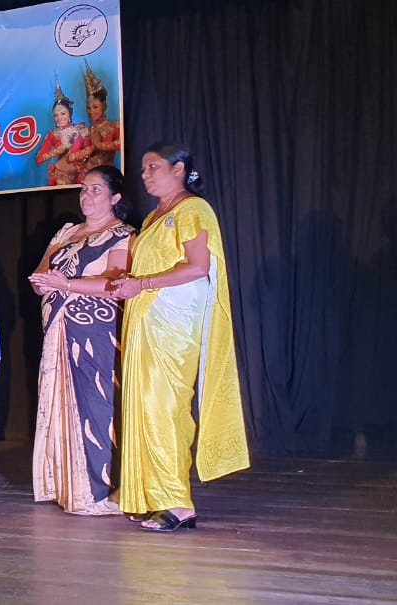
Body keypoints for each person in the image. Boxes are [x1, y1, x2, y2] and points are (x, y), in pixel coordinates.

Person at [110, 143, 250, 532]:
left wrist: (144, 283)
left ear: (179, 169)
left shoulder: (193, 209)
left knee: (165, 407)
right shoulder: (156, 215)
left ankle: (178, 502)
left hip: (174, 323)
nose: (145, 174)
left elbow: (197, 267)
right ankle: (150, 496)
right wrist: (130, 285)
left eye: (153, 167)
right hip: (146, 319)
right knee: (143, 407)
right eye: (143, 169)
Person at [27, 166, 135, 515]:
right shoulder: (66, 231)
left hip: (95, 330)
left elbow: (114, 282)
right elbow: (42, 272)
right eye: (84, 189)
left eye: (96, 190)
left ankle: (102, 490)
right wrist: (43, 284)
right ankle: (67, 485)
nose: (87, 196)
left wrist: (66, 286)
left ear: (115, 198)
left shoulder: (123, 234)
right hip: (58, 326)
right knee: (61, 399)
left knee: (97, 404)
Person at [35, 77, 91, 186]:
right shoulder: (53, 134)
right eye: (56, 115)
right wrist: (62, 148)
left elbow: (89, 149)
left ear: (69, 114)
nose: (59, 118)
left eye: (63, 113)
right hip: (59, 178)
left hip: (80, 176)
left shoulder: (81, 128)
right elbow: (39, 159)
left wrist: (78, 157)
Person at [79, 62, 121, 171]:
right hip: (88, 175)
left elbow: (123, 143)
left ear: (104, 106)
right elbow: (73, 156)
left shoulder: (115, 126)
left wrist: (99, 145)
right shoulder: (86, 131)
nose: (91, 111)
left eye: (95, 107)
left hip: (107, 176)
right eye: (89, 108)